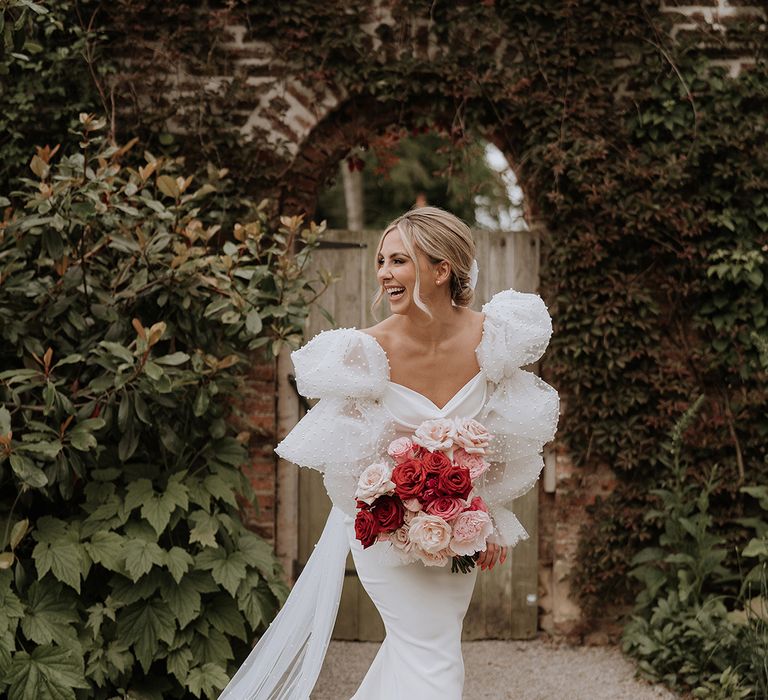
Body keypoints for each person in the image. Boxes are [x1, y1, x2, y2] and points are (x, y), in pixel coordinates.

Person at [218, 206, 560, 700]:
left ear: (442, 269)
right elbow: (350, 461)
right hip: (384, 532)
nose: (383, 273)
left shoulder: (497, 340)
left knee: (416, 651)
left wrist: (493, 517)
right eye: (382, 261)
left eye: (398, 260)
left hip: (458, 534)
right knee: (433, 657)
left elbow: (505, 439)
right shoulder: (362, 353)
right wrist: (399, 511)